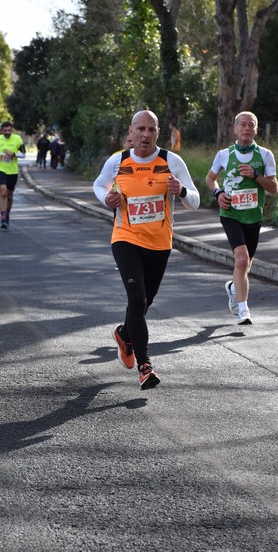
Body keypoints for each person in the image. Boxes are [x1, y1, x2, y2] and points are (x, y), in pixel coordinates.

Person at [93, 110, 200, 390]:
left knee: (144, 303)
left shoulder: (170, 161)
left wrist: (183, 192)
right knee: (137, 299)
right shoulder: (118, 161)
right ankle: (145, 367)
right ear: (132, 131)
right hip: (125, 238)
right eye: (140, 129)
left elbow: (196, 201)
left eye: (150, 129)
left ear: (157, 131)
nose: (145, 135)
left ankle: (124, 334)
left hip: (159, 243)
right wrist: (107, 197)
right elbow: (98, 184)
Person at [205, 111, 278, 325]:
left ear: (256, 130)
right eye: (243, 125)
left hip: (253, 216)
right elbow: (211, 179)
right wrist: (218, 194)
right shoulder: (224, 154)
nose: (247, 128)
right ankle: (243, 310)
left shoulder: (265, 155)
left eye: (251, 125)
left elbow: (274, 187)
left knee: (246, 265)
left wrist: (255, 176)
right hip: (230, 214)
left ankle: (232, 287)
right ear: (235, 129)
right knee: (242, 259)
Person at [0, 121, 26, 230]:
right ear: (2, 131)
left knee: (10, 196)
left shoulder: (17, 139)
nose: (7, 132)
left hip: (13, 171)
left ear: (12, 130)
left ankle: (7, 214)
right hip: (1, 169)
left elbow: (23, 154)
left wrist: (14, 154)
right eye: (5, 131)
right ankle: (2, 218)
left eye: (9, 130)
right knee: (3, 191)